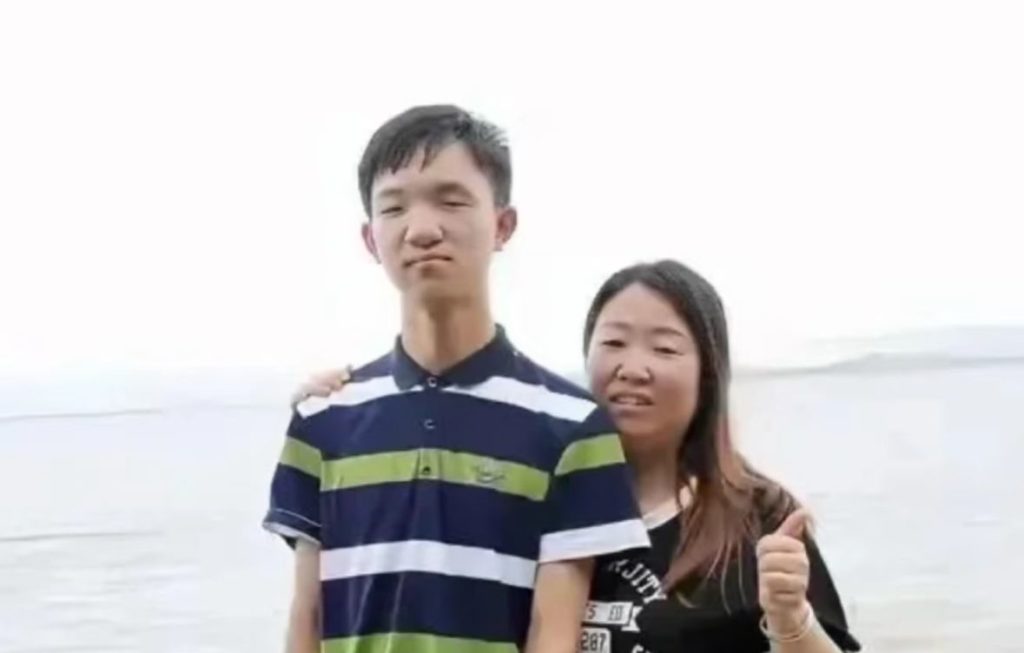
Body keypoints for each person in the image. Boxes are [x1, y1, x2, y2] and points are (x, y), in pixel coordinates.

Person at [295, 259, 861, 652]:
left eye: (665, 348)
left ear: (708, 374)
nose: (633, 367)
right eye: (613, 342)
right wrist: (338, 406)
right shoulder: (527, 491)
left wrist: (791, 620)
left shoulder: (757, 517)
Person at [262, 105, 649, 653]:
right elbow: (308, 619)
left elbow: (553, 633)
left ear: (502, 225)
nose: (422, 229)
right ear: (371, 239)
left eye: (451, 200)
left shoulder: (573, 428)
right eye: (394, 207)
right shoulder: (322, 421)